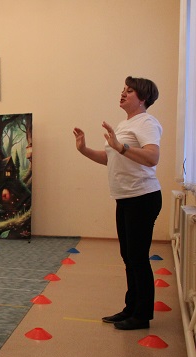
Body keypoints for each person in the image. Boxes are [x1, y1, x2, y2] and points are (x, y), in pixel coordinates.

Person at [73, 76, 162, 330]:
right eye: (123, 89)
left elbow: (152, 157)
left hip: (142, 197)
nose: (123, 93)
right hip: (124, 197)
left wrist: (121, 147)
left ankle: (142, 315)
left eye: (129, 91)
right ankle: (130, 308)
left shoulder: (146, 123)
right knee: (128, 256)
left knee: (138, 257)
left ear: (143, 98)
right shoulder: (125, 124)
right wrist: (84, 149)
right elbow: (110, 158)